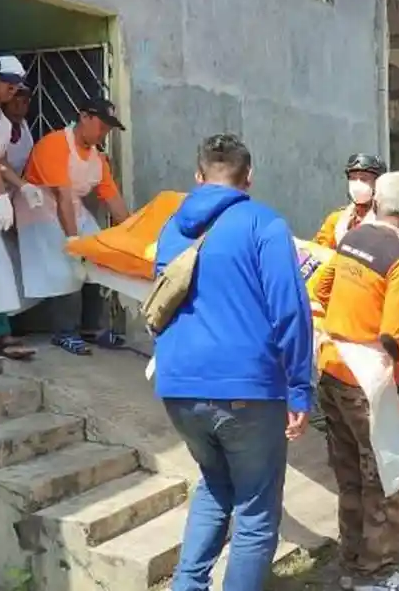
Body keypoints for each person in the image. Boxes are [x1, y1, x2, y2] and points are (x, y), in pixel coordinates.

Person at [154, 134, 313, 591]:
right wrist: (300, 387)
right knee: (256, 511)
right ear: (250, 177)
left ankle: (187, 586)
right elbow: (290, 310)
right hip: (247, 390)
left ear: (199, 176)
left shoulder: (171, 227)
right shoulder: (264, 224)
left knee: (214, 484)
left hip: (179, 386)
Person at [313, 172, 399, 591]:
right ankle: (376, 574)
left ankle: (351, 564)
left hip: (330, 365)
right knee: (385, 477)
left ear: (376, 202)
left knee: (349, 475)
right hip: (366, 377)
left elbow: (321, 287)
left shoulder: (351, 238)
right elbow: (394, 333)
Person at [17, 98, 131, 355]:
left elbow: (113, 200)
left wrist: (134, 234)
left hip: (71, 206)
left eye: (108, 129)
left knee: (97, 254)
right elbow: (62, 197)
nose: (104, 133)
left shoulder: (97, 159)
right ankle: (64, 332)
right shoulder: (55, 144)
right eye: (102, 126)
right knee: (66, 265)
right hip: (38, 205)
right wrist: (72, 240)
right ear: (85, 117)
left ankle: (91, 327)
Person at [0, 56, 37, 360]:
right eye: (8, 83)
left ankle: (2, 329)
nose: (12, 90)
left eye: (16, 86)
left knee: (0, 260)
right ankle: (0, 334)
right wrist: (1, 197)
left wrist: (23, 186)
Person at [315, 153, 388, 248]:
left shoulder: (387, 222)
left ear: (378, 183)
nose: (357, 185)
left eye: (364, 179)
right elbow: (319, 250)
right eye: (353, 178)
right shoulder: (337, 219)